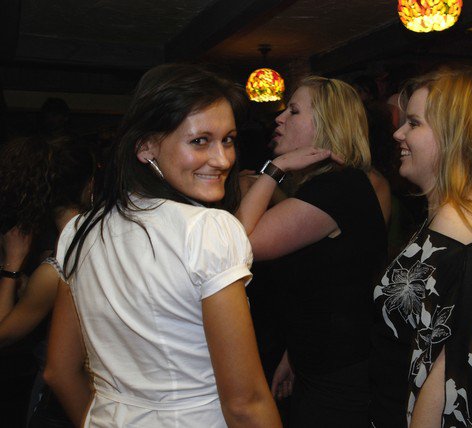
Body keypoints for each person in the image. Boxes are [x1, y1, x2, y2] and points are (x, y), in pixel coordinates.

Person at [43, 63, 281, 427]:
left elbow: (59, 371)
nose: (223, 160)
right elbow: (245, 403)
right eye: (200, 141)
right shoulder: (207, 229)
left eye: (228, 139)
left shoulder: (79, 230)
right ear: (146, 147)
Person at [370, 65, 472, 427]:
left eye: (414, 123)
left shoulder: (459, 234)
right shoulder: (471, 214)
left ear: (456, 137)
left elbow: (450, 386)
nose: (398, 132)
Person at [236, 76, 388, 427]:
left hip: (338, 374)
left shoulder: (337, 188)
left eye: (293, 110)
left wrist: (274, 170)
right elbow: (327, 285)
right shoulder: (331, 185)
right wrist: (293, 355)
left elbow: (236, 246)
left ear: (327, 124)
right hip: (322, 362)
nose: (279, 118)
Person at [0, 135, 95, 427]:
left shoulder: (56, 268)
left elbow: (3, 334)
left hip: (63, 400)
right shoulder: (99, 237)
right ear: (89, 185)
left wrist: (12, 264)